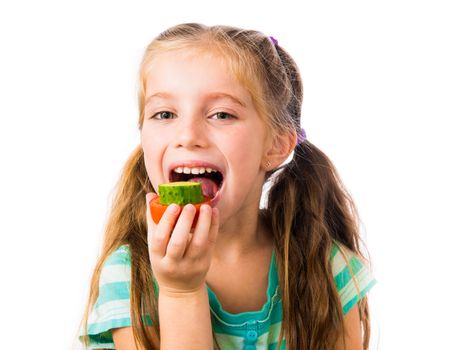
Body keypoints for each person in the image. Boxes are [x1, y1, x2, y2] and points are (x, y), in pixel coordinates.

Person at [80, 23, 376, 350]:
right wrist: (181, 291)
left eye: (221, 114)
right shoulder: (130, 277)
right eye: (164, 114)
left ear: (275, 145)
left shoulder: (329, 271)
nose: (187, 135)